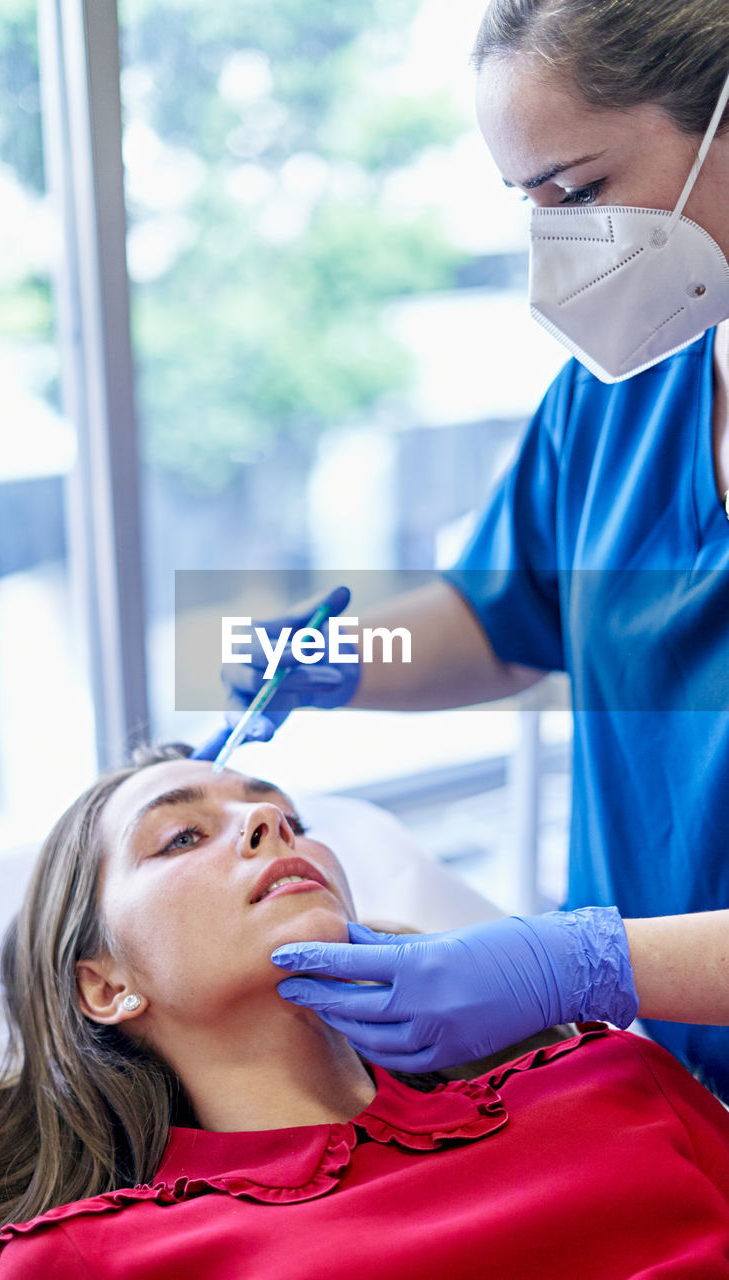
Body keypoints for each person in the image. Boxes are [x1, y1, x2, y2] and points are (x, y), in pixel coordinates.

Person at [208, 0, 729, 1103]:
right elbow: (503, 616)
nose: (557, 243)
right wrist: (344, 653)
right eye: (528, 204)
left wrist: (583, 962)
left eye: (579, 191)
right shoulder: (623, 400)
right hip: (667, 1095)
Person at [0, 746, 729, 1280]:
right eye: (181, 837)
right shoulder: (86, 1262)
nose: (266, 823)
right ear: (105, 987)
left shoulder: (608, 1075)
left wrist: (588, 962)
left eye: (289, 817)